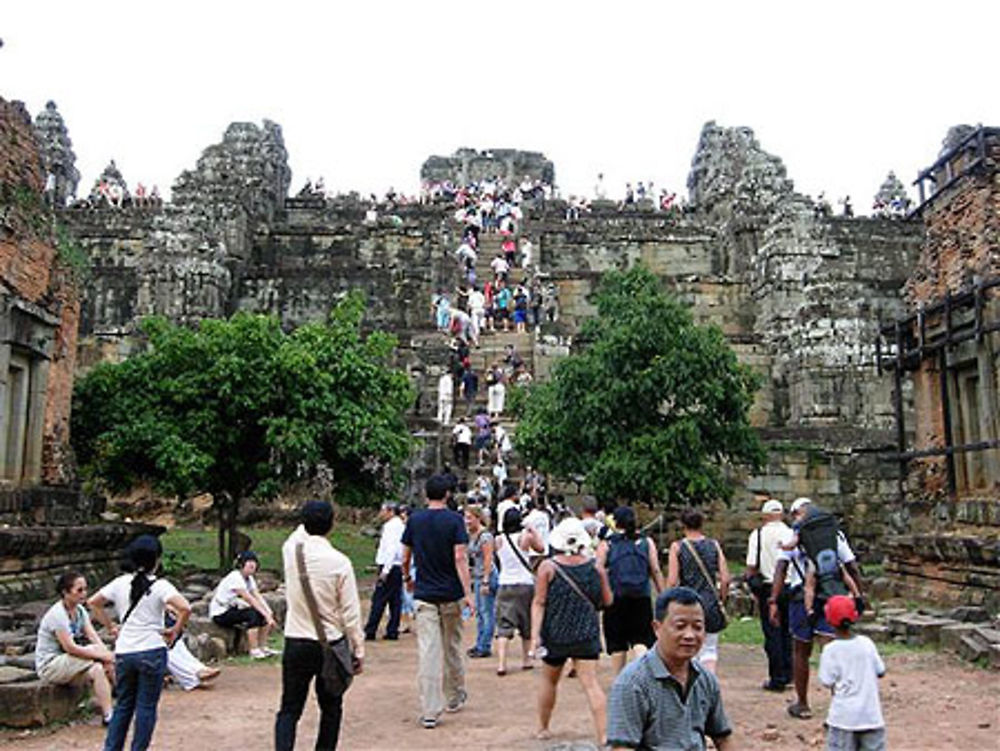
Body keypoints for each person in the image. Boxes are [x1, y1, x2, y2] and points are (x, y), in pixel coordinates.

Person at [276, 500, 364, 750]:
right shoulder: (340, 562)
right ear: (331, 525)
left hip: (296, 640)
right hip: (331, 644)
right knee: (331, 708)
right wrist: (358, 650)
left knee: (289, 709)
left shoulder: (291, 552)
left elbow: (298, 534)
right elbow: (350, 613)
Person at [769, 497, 864, 720]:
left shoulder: (793, 536)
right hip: (830, 594)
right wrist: (859, 594)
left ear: (796, 514)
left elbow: (781, 568)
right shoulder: (834, 535)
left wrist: (773, 600)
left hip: (800, 596)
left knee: (801, 651)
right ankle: (839, 703)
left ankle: (802, 703)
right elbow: (851, 565)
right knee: (831, 649)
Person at [606, 587, 734, 751]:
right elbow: (621, 748)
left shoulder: (705, 679)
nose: (689, 635)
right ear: (657, 628)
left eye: (697, 627)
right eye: (680, 626)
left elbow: (723, 737)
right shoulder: (632, 683)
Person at [103, 535, 192, 751]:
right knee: (146, 707)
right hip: (152, 649)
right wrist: (174, 630)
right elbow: (185, 607)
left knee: (123, 705)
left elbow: (94, 602)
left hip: (125, 652)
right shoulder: (160, 586)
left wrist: (111, 626)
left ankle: (111, 748)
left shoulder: (119, 583)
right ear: (157, 560)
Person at [401, 474, 475, 729]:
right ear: (447, 495)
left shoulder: (415, 520)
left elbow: (406, 554)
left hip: (424, 593)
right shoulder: (455, 521)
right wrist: (468, 592)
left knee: (428, 651)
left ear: (426, 495)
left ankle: (430, 710)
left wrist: (406, 576)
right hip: (451, 592)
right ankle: (454, 694)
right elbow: (460, 557)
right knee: (452, 645)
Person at [531, 518, 613, 743]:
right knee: (591, 685)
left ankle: (542, 727)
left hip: (555, 633)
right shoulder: (594, 566)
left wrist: (535, 635)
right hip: (586, 633)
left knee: (549, 681)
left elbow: (539, 602)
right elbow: (607, 600)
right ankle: (604, 735)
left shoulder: (548, 567)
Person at [89, 553, 220, 692]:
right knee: (160, 644)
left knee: (172, 642)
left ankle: (195, 670)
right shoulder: (129, 584)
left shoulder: (129, 584)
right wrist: (111, 629)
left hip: (138, 635)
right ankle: (191, 676)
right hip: (136, 640)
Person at [35, 571, 115, 725]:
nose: (84, 594)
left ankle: (108, 714)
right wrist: (102, 655)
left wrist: (106, 653)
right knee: (98, 658)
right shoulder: (57, 615)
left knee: (98, 670)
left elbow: (93, 635)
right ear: (65, 592)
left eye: (85, 589)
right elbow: (70, 647)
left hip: (69, 663)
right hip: (51, 665)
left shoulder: (80, 611)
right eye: (79, 590)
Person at [597, 506, 665, 674]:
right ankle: (643, 673)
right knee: (641, 639)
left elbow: (597, 568)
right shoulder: (646, 542)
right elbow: (655, 569)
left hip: (616, 597)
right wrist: (663, 595)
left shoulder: (608, 543)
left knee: (618, 643)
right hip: (641, 596)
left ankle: (620, 679)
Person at [818, 596, 886, 751]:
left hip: (843, 719)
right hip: (871, 716)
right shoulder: (867, 643)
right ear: (855, 616)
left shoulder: (830, 650)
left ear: (828, 621)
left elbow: (826, 681)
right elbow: (881, 671)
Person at [666, 508, 730, 674]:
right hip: (710, 601)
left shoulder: (677, 547)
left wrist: (668, 602)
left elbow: (672, 581)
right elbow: (725, 578)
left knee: (688, 649)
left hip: (688, 602)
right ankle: (709, 684)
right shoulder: (714, 545)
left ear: (683, 525)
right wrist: (722, 598)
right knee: (709, 649)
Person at [744, 498, 794, 691]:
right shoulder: (790, 533)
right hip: (789, 586)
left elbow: (750, 566)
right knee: (788, 631)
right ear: (781, 514)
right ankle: (789, 673)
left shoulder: (757, 535)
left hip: (767, 586)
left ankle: (777, 677)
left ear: (765, 516)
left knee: (772, 631)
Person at [493, 506, 544, 676]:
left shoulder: (498, 539)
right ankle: (526, 660)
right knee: (526, 624)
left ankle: (501, 664)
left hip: (505, 583)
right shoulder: (525, 537)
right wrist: (533, 530)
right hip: (525, 583)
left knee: (503, 626)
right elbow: (541, 548)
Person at [208, 551, 277, 659]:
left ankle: (263, 647)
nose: (252, 565)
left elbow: (257, 595)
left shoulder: (249, 579)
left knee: (263, 613)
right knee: (253, 614)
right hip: (221, 613)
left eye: (254, 562)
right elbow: (249, 598)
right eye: (249, 562)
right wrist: (266, 615)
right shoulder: (235, 577)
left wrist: (268, 611)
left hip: (233, 608)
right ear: (241, 564)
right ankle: (254, 650)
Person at [364, 502, 405, 641]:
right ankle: (392, 629)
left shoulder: (392, 527)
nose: (381, 513)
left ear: (390, 511)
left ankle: (371, 629)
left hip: (390, 565)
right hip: (396, 566)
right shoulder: (399, 525)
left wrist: (385, 570)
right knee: (395, 600)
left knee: (379, 599)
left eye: (383, 510)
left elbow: (391, 549)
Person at [465, 505, 496, 658]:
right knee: (480, 612)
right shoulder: (471, 535)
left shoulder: (485, 536)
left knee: (486, 612)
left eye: (470, 518)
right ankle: (480, 643)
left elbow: (488, 559)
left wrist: (485, 580)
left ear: (478, 518)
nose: (467, 521)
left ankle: (485, 645)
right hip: (477, 575)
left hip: (486, 576)